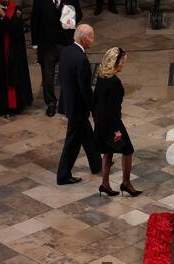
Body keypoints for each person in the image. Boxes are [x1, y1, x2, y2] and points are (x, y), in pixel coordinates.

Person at [93, 47, 142, 197]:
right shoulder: (115, 82)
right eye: (122, 62)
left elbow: (94, 100)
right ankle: (126, 183)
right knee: (128, 150)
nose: (123, 65)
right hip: (111, 123)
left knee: (108, 152)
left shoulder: (101, 77)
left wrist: (96, 118)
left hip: (100, 122)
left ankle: (105, 184)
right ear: (116, 62)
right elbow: (113, 109)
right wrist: (117, 130)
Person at [56, 24, 101, 185]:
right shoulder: (81, 60)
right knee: (72, 143)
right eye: (92, 37)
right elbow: (85, 89)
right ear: (84, 39)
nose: (93, 40)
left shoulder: (66, 51)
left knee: (87, 135)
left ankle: (96, 164)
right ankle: (63, 175)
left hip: (69, 103)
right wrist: (94, 108)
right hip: (78, 108)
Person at [30, 0, 82, 117]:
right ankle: (51, 103)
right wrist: (35, 43)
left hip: (65, 42)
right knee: (48, 74)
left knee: (68, 73)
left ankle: (68, 102)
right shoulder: (40, 1)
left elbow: (79, 13)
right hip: (47, 44)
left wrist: (71, 19)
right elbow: (34, 20)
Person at [0, 0, 32, 118]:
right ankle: (2, 106)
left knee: (13, 77)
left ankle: (15, 106)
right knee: (0, 78)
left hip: (13, 53)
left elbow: (15, 29)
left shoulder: (15, 9)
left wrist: (3, 15)